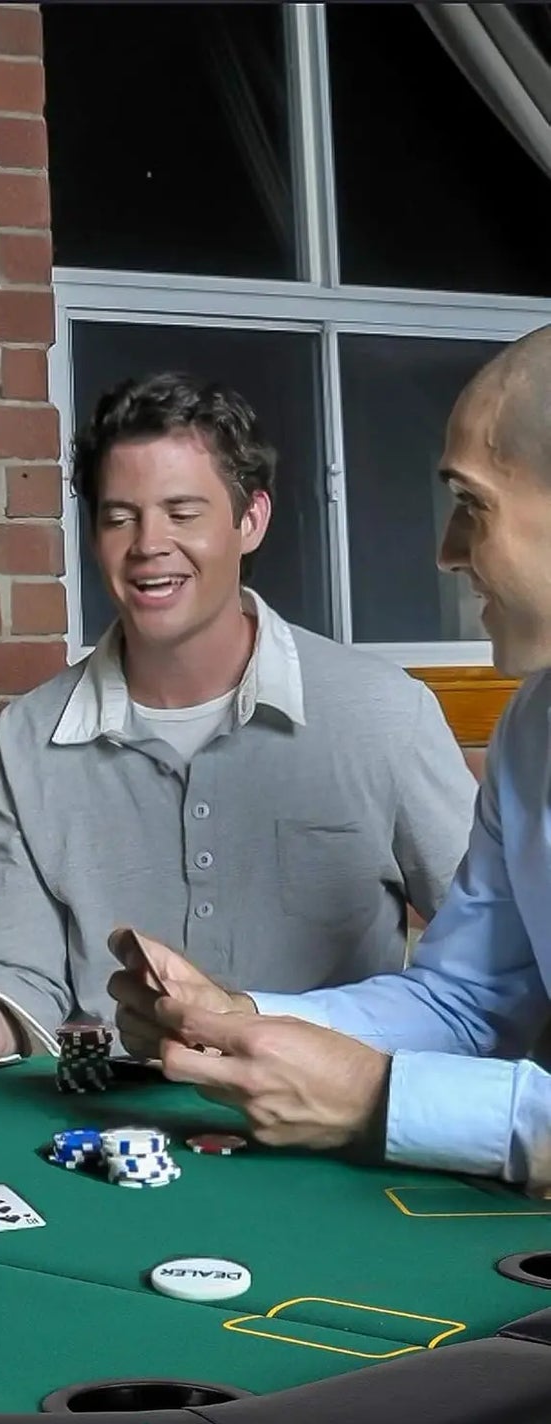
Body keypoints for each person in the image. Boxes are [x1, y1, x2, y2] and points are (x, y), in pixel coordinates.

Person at [0, 372, 476, 1068]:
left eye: (182, 511)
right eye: (118, 515)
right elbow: (22, 979)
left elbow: (492, 957)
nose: (147, 543)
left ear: (249, 520)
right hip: (111, 1129)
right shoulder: (26, 737)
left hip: (329, 1119)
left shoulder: (384, 713)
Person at [107, 327, 551, 1190]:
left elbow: (394, 1082)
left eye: (472, 502)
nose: (446, 549)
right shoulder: (532, 727)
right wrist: (238, 1018)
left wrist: (375, 1098)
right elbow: (464, 1003)